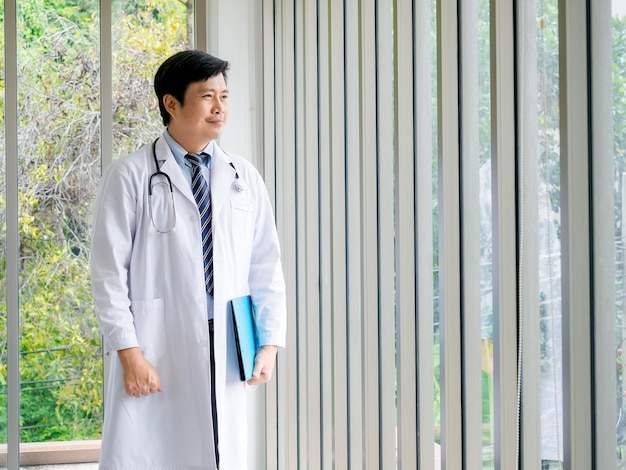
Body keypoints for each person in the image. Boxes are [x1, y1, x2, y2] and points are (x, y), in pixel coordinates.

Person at [90, 50, 287, 469]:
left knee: (219, 451)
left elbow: (265, 266)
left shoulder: (242, 177)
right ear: (172, 103)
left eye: (225, 96)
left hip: (230, 340)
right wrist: (130, 353)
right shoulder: (129, 176)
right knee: (153, 451)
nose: (220, 108)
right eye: (207, 96)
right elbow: (108, 275)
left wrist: (268, 343)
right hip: (158, 344)